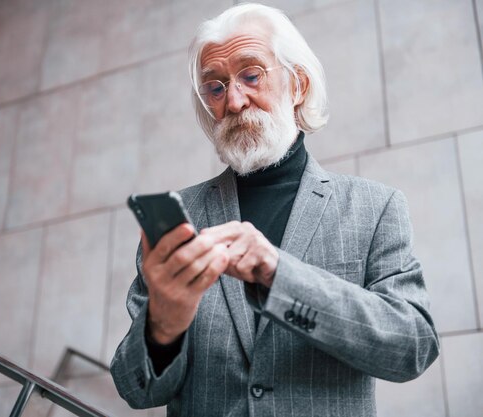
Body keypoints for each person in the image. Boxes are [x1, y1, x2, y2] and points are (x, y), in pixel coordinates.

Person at [110, 3, 439, 416]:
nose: (233, 100)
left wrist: (279, 276)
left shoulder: (375, 208)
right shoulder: (180, 220)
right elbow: (135, 390)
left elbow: (412, 347)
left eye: (251, 76)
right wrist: (164, 324)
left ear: (298, 85)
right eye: (215, 87)